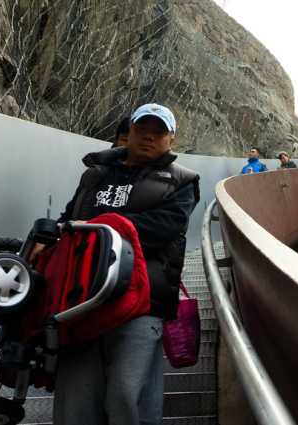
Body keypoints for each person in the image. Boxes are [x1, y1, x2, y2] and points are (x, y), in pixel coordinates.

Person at [46, 103, 201, 425]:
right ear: (128, 132)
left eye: (159, 131)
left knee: (128, 396)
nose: (148, 136)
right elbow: (69, 219)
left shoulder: (181, 181)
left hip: (140, 302)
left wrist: (95, 228)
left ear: (171, 140)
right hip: (80, 299)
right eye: (141, 128)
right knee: (76, 403)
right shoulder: (94, 174)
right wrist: (49, 235)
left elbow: (163, 228)